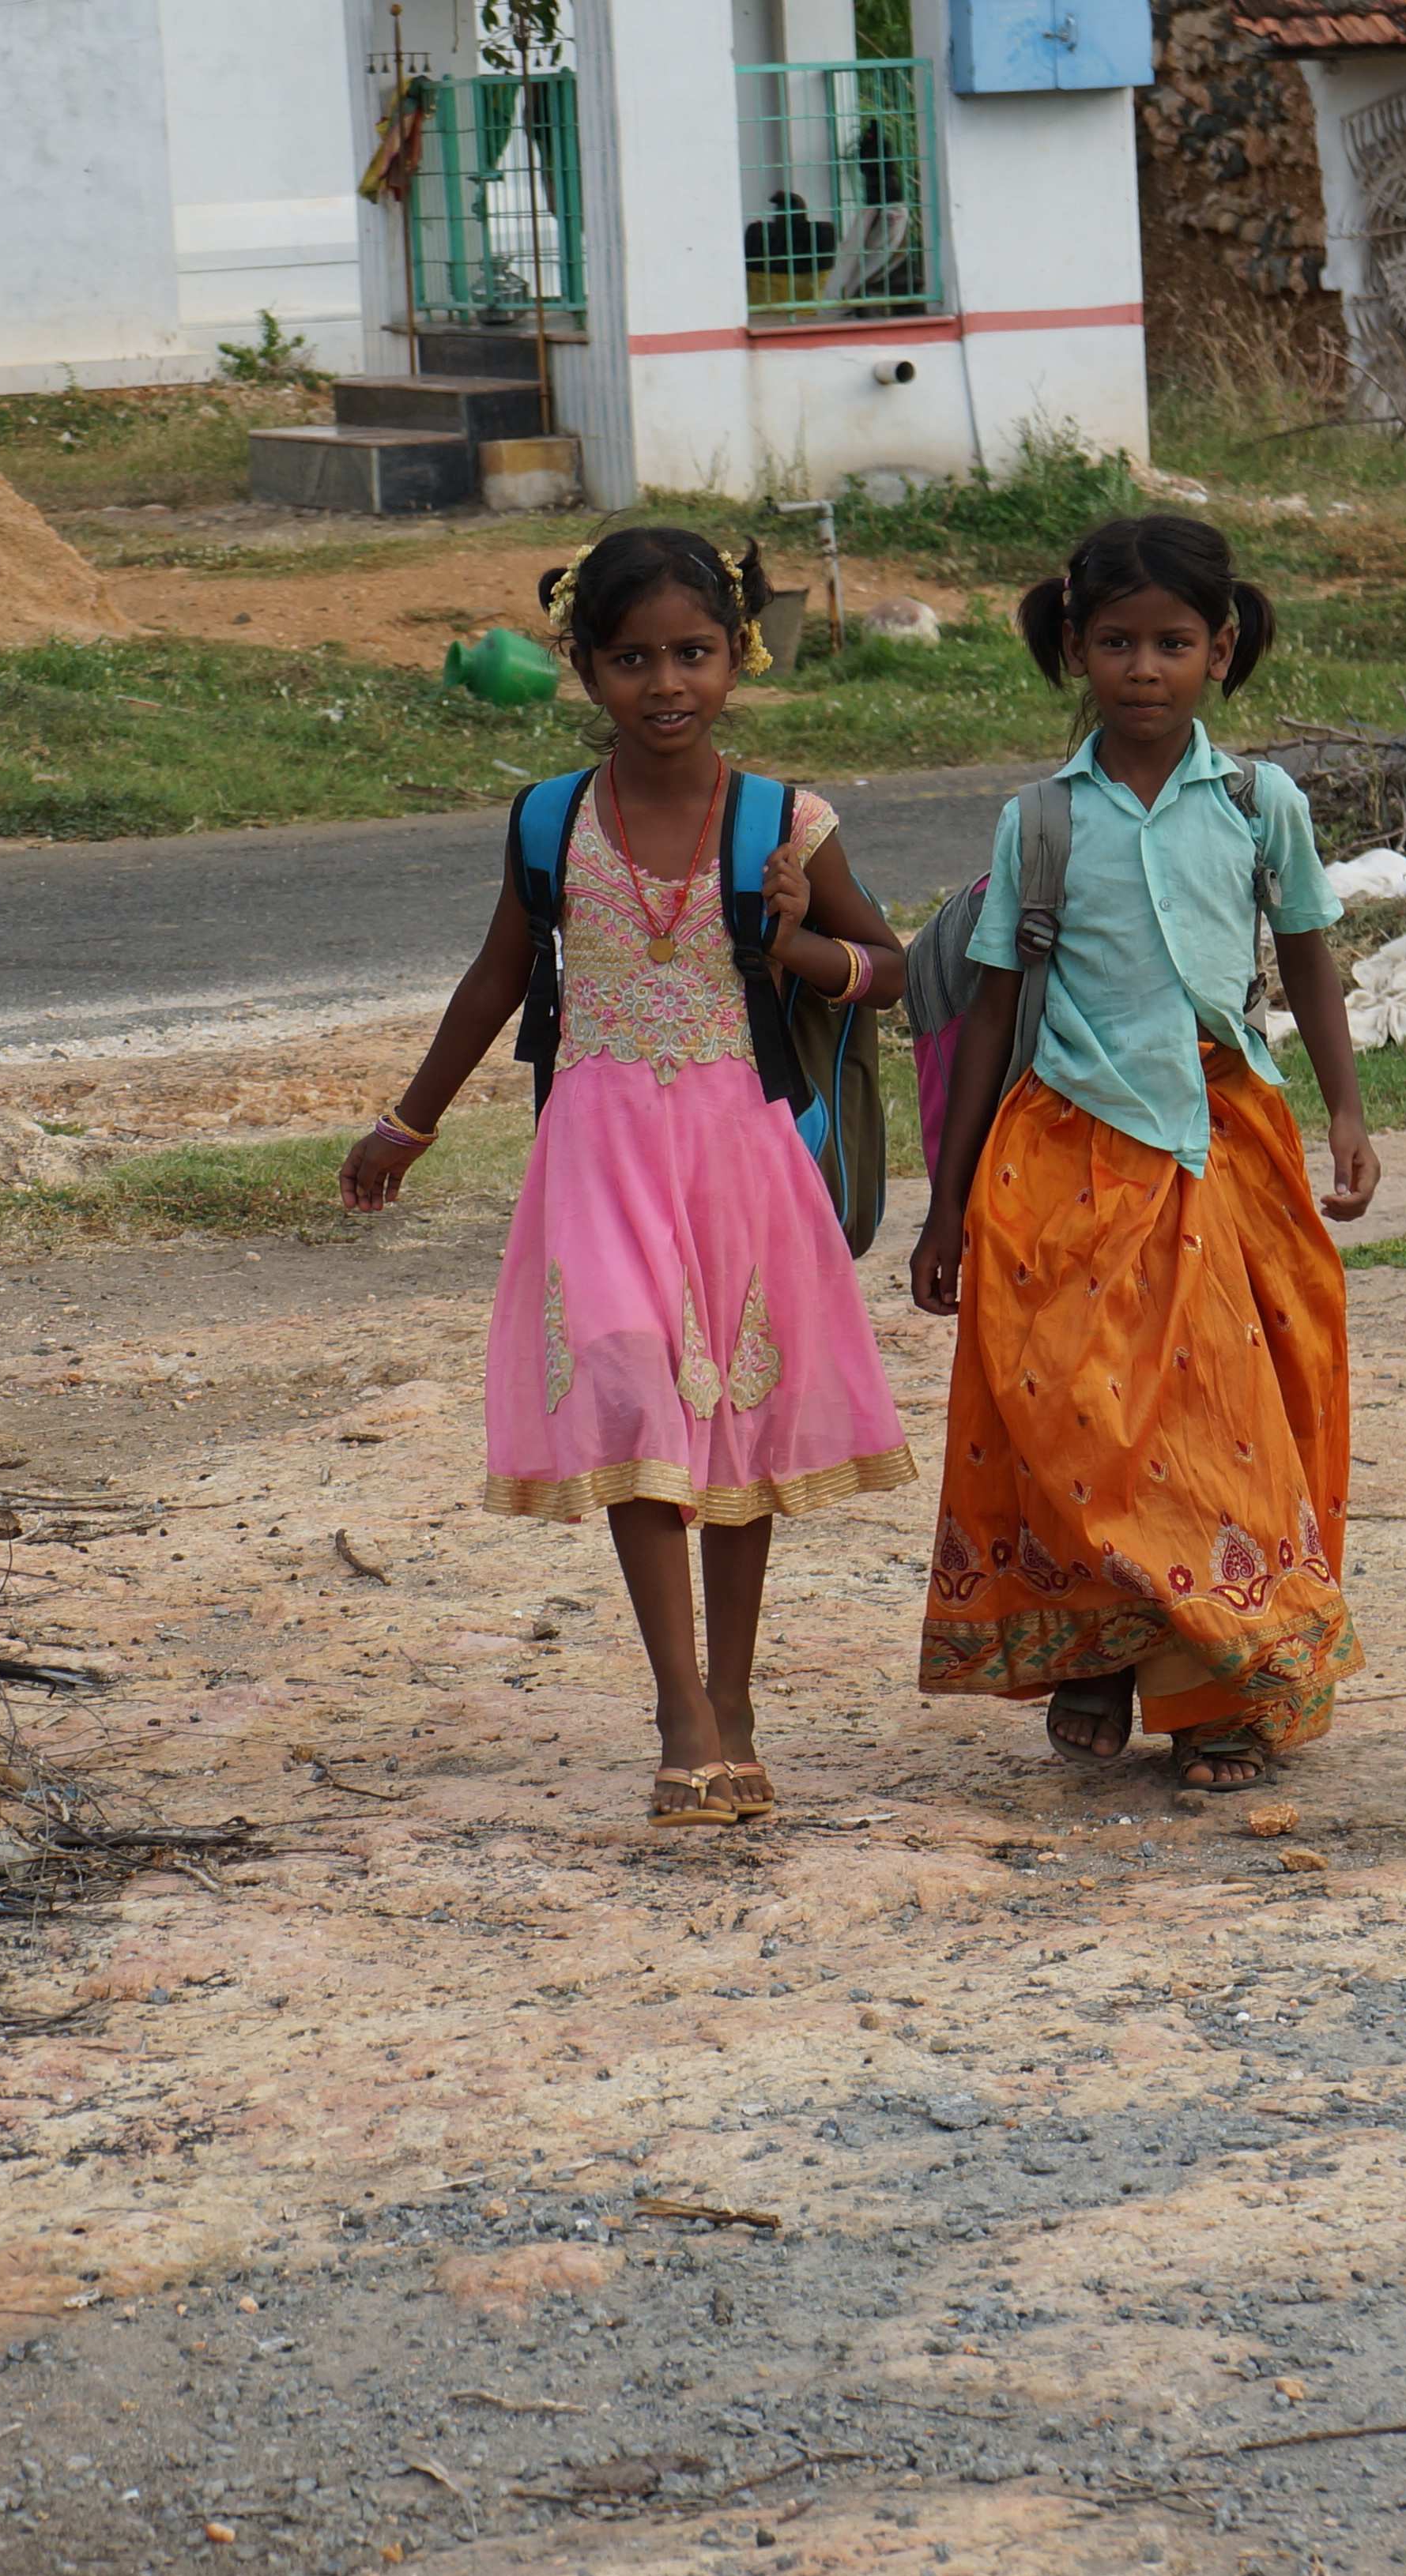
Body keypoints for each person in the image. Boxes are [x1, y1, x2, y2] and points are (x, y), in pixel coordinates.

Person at [341, 525, 916, 1829]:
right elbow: (499, 976)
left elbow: (894, 969)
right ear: (586, 666)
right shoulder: (550, 819)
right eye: (632, 660)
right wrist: (410, 1122)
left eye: (695, 654)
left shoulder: (786, 821)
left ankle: (738, 1704)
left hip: (740, 1152)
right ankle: (680, 1713)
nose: (667, 684)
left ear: (739, 656)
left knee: (739, 1410)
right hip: (597, 1150)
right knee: (628, 1380)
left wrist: (799, 945)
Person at [907, 514, 1379, 1791]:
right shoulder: (1040, 822)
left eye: (1173, 643)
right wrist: (945, 1206)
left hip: (1225, 1144)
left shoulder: (1261, 804)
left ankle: (1218, 1689)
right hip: (1065, 1152)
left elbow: (1308, 959)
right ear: (1075, 649)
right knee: (1078, 1414)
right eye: (1117, 643)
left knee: (1230, 1417)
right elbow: (993, 1010)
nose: (1144, 669)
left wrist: (1345, 1111)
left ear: (1220, 650)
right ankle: (1100, 1647)